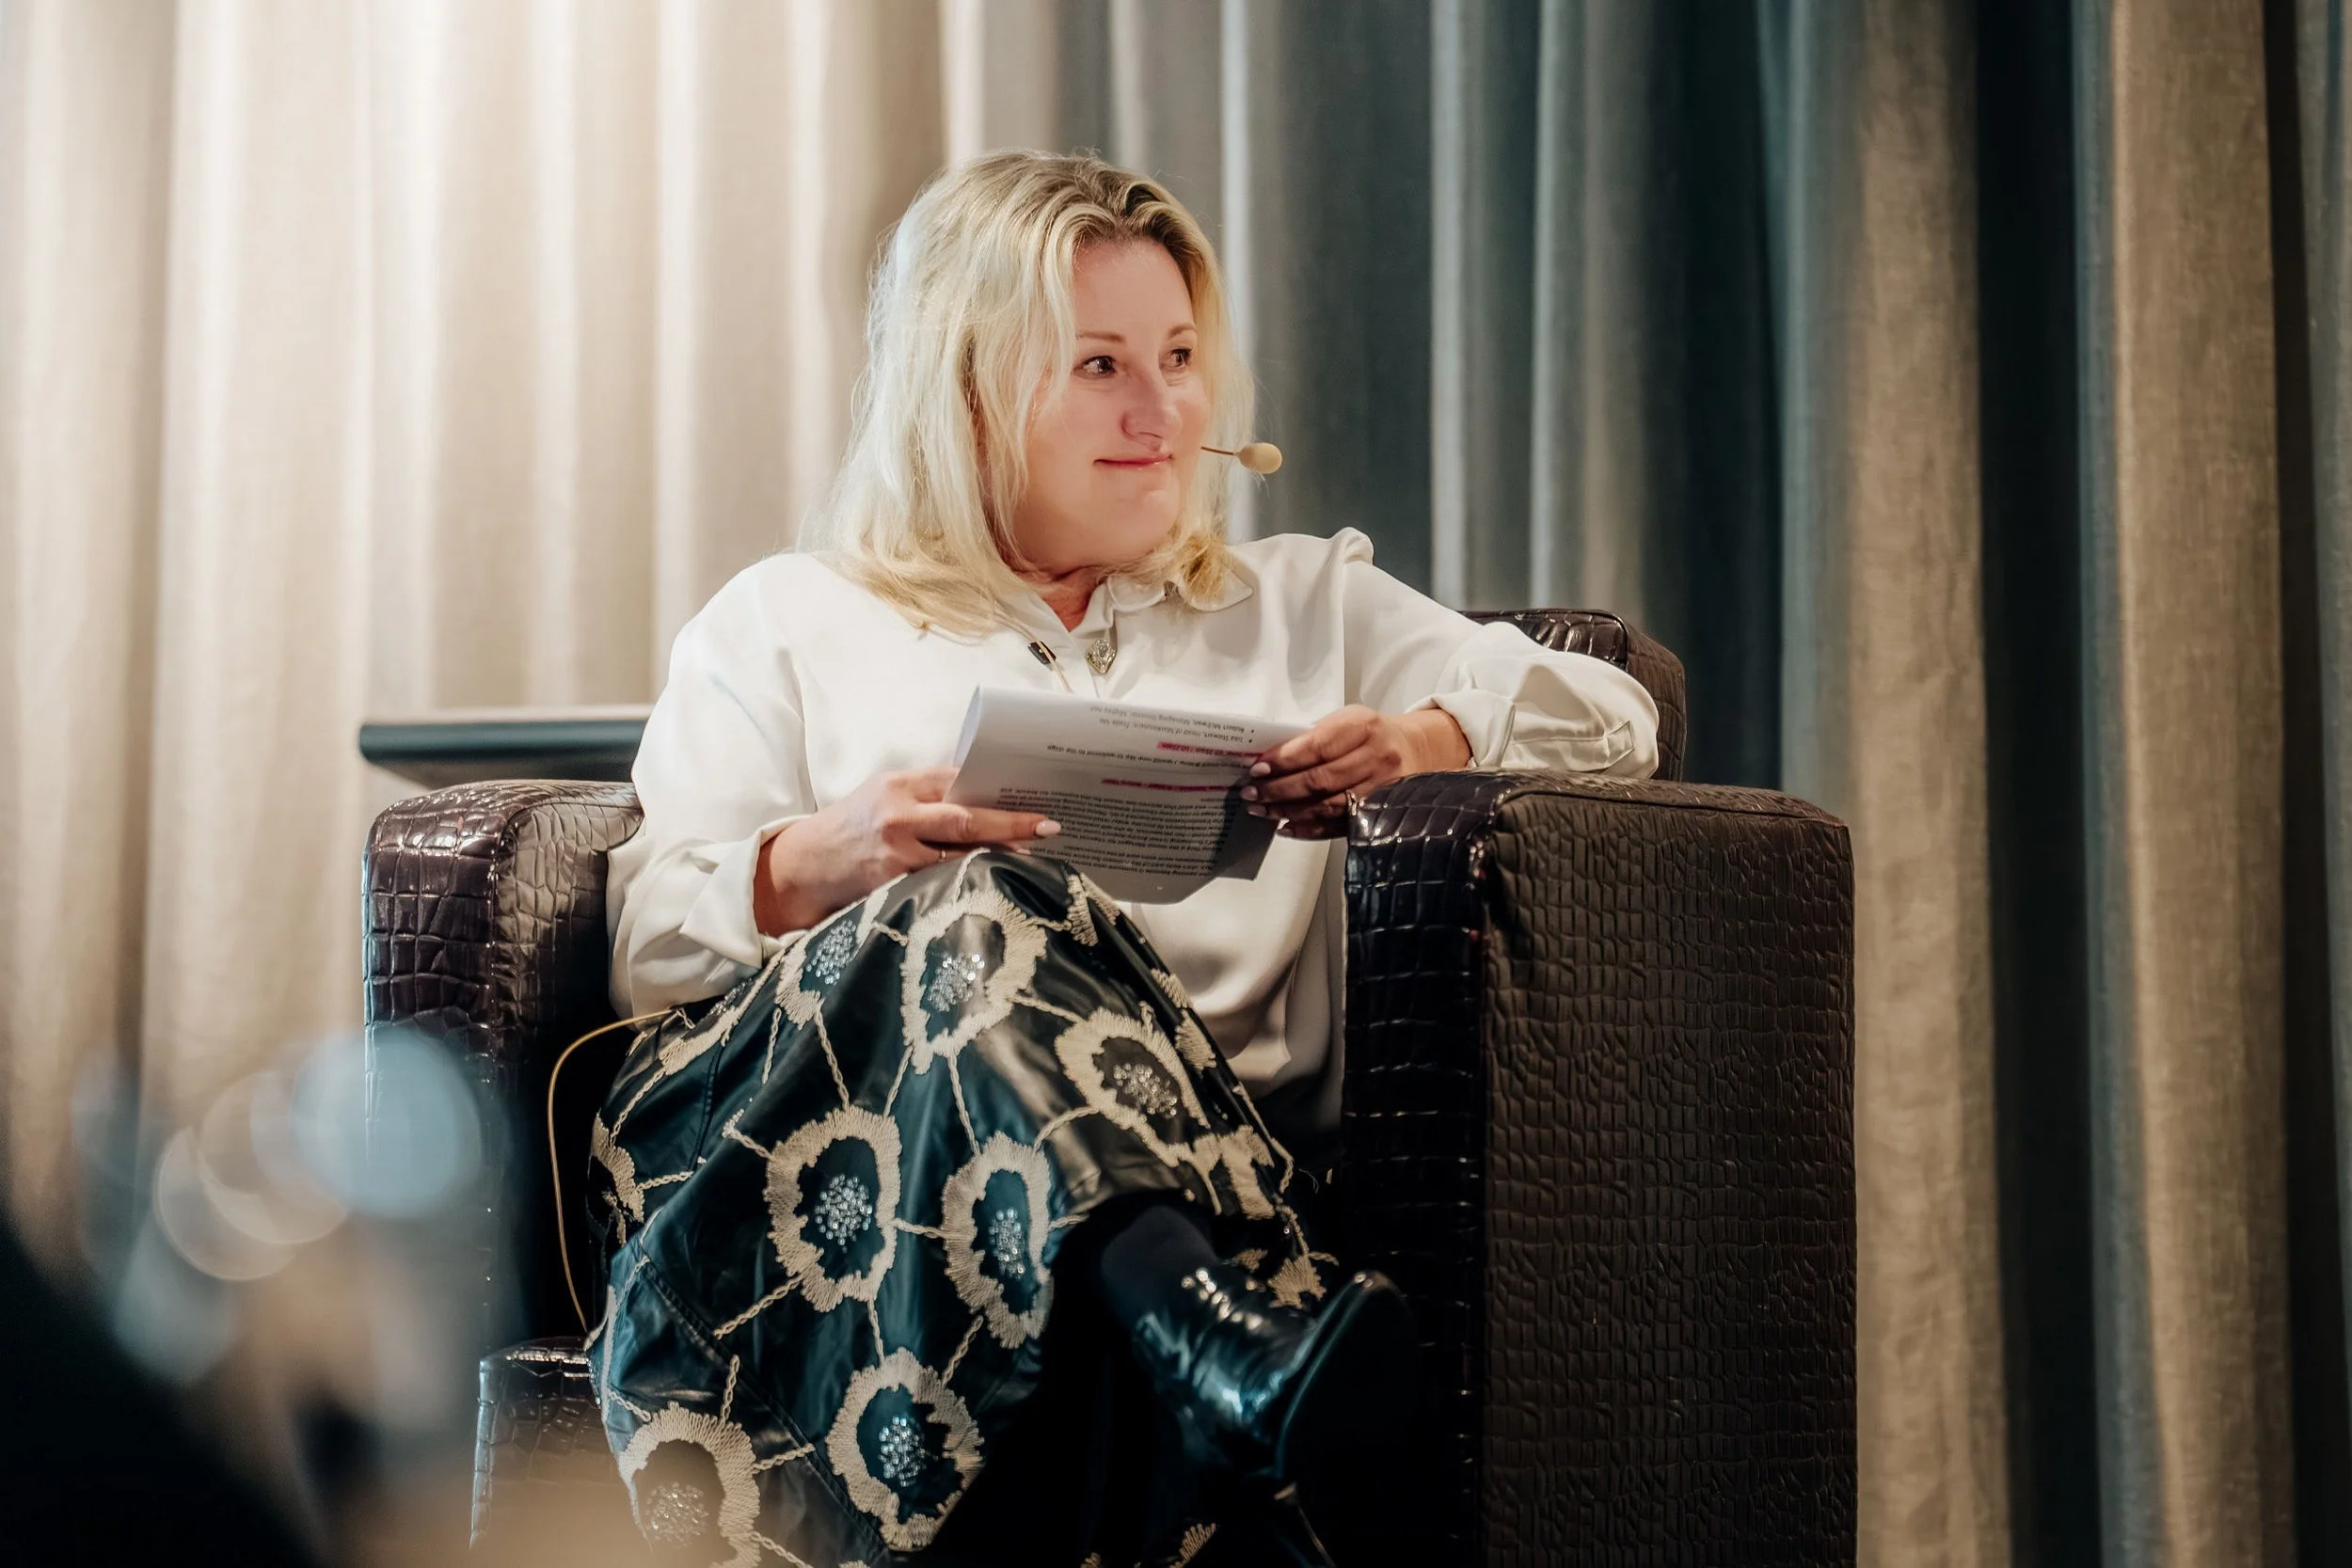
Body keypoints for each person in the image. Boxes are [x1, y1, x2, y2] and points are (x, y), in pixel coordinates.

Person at [590, 151, 1659, 1567]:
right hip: (830, 1147)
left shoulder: (1297, 600)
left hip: (1205, 1145)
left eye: (1176, 356)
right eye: (1099, 364)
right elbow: (647, 939)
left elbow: (1622, 716)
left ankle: (1163, 1307)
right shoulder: (786, 620)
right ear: (966, 388)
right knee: (968, 903)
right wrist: (823, 856)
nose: (1162, 411)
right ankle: (1207, 1338)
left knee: (1001, 968)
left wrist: (1431, 734)